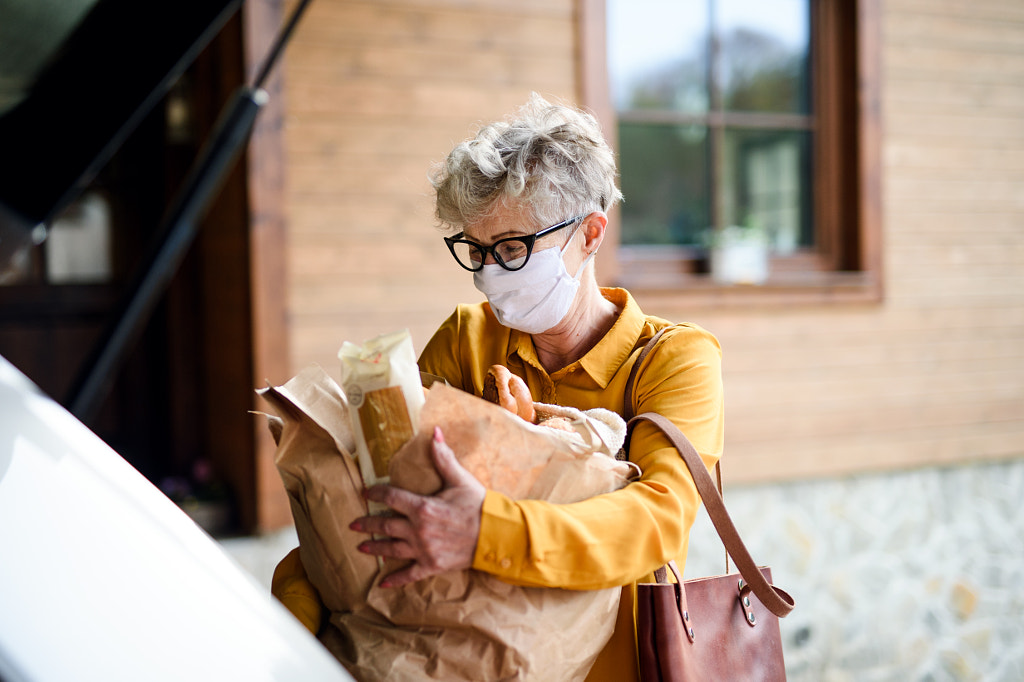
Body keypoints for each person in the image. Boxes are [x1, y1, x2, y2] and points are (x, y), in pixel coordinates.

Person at [272, 93, 724, 682]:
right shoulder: (467, 339)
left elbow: (658, 519)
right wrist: (289, 625)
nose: (490, 274)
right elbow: (373, 500)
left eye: (512, 248)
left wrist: (486, 528)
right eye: (477, 251)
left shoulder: (675, 359)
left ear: (590, 234)